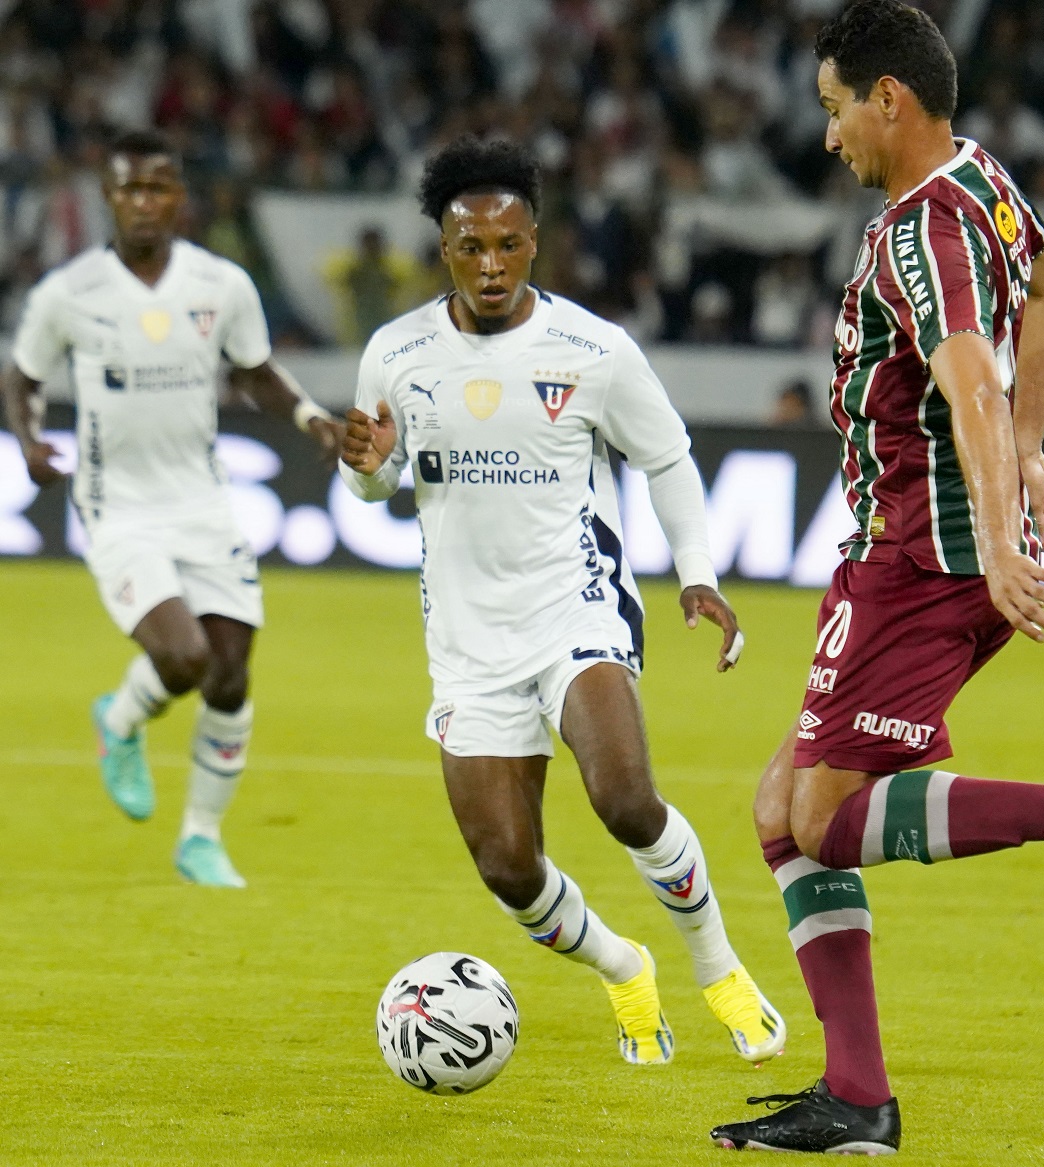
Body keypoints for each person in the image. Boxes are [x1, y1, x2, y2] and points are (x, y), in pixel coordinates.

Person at [709, 2, 1044, 1155]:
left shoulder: (923, 229)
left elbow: (967, 377)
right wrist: (1027, 452)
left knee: (819, 820)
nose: (830, 138)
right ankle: (857, 1098)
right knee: (781, 813)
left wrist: (1000, 519)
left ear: (889, 99)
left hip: (922, 552)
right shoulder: (983, 180)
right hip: (918, 539)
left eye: (835, 111)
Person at [339, 136, 785, 1067]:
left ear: (535, 240)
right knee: (507, 865)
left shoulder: (593, 349)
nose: (491, 264)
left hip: (576, 608)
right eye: (471, 247)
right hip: (467, 640)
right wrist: (368, 472)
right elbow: (380, 485)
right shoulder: (396, 353)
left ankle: (719, 970)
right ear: (444, 248)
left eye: (508, 244)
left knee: (625, 799)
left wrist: (695, 568)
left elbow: (666, 456)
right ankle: (624, 967)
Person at [1, 129, 344, 888]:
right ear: (109, 196)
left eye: (159, 187)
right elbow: (20, 377)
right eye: (130, 189)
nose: (145, 201)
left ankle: (200, 838)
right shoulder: (70, 292)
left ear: (179, 197)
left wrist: (313, 418)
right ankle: (119, 718)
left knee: (229, 675)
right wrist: (27, 440)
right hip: (117, 504)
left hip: (202, 500)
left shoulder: (220, 285)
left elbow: (256, 372)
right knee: (183, 657)